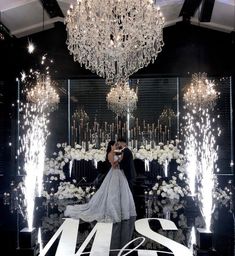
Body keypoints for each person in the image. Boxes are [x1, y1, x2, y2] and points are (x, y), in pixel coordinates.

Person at [64, 140, 136, 223]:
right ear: (111, 146)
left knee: (122, 192)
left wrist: (120, 158)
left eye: (117, 145)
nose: (116, 146)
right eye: (115, 145)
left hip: (120, 174)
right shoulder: (110, 154)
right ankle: (114, 210)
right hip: (115, 173)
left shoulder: (116, 153)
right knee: (113, 193)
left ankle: (122, 210)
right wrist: (120, 159)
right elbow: (114, 165)